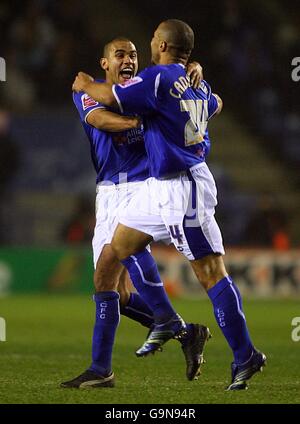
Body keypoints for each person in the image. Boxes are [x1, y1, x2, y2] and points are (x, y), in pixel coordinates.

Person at [73, 19, 266, 391]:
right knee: (122, 243)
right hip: (160, 188)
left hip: (183, 186)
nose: (133, 56)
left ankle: (245, 355)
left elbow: (111, 99)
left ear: (159, 44)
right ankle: (168, 323)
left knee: (211, 273)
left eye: (139, 48)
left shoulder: (157, 80)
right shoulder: (194, 82)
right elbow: (216, 102)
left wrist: (84, 84)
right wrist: (193, 79)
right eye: (121, 54)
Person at [62, 37, 208, 389]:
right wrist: (145, 124)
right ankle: (185, 332)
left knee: (124, 255)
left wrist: (197, 72)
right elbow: (100, 120)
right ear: (105, 63)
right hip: (108, 192)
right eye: (120, 55)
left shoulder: (147, 89)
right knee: (112, 289)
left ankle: (101, 368)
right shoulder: (90, 93)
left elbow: (200, 99)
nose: (128, 60)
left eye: (133, 55)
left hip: (143, 187)